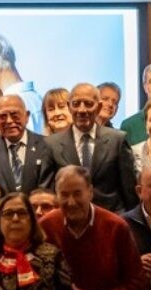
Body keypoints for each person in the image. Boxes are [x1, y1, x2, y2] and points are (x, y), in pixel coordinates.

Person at [46, 84, 136, 212]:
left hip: (110, 221)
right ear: (69, 106)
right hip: (69, 220)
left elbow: (129, 191)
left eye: (88, 104)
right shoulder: (52, 144)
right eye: (76, 104)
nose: (82, 110)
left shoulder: (117, 140)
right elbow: (49, 193)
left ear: (99, 107)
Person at [0, 95, 58, 200]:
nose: (9, 121)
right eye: (3, 116)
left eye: (15, 115)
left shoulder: (46, 145)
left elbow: (47, 189)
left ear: (27, 116)